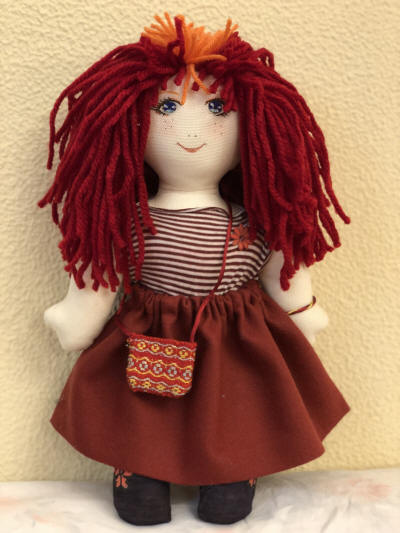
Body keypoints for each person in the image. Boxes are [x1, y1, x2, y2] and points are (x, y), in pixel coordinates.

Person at [39, 13, 350, 526]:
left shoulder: (255, 220)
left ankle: (232, 469)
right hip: (148, 339)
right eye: (165, 107)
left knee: (237, 415)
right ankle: (140, 469)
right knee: (140, 417)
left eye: (218, 108)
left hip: (239, 341)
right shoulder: (129, 220)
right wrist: (80, 314)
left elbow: (284, 266)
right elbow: (102, 271)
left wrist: (303, 311)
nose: (191, 129)